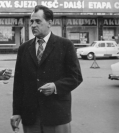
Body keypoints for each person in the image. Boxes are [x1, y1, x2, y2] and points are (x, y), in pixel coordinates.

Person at [10, 5, 83, 133]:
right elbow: (19, 84)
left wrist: (55, 87)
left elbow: (76, 77)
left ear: (50, 22)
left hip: (57, 114)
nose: (33, 25)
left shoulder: (65, 45)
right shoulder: (24, 48)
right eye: (31, 21)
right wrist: (16, 112)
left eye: (38, 21)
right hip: (30, 115)